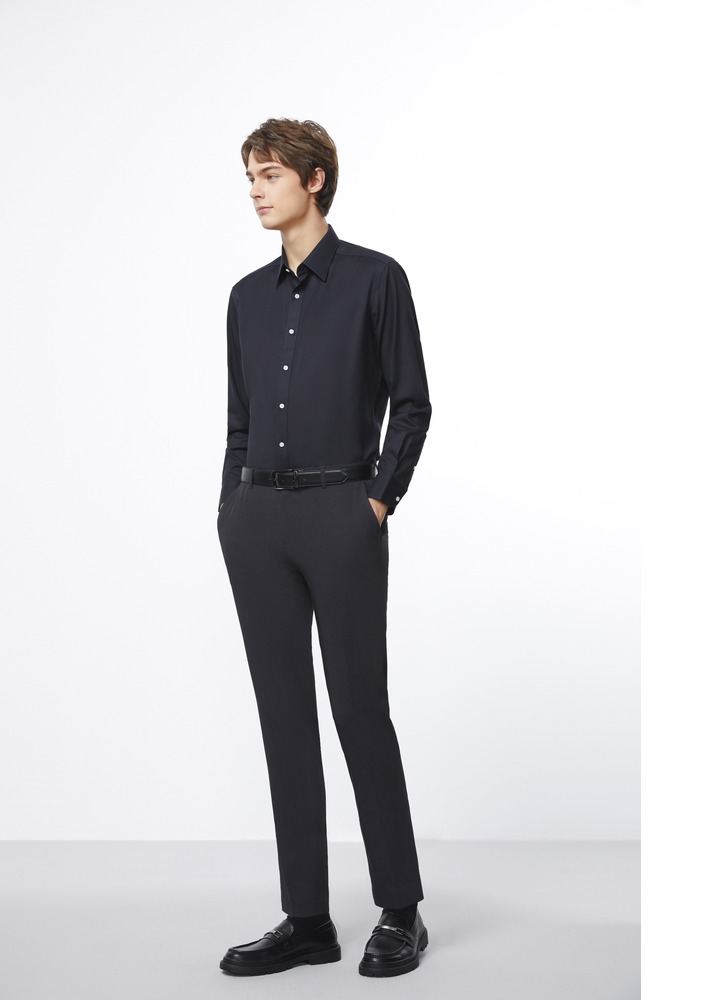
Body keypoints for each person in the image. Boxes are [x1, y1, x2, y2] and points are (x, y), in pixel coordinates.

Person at [215, 118, 432, 978]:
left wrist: (376, 500)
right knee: (283, 719)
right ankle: (306, 918)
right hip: (257, 521)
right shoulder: (246, 298)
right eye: (250, 176)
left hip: (343, 512)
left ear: (314, 180)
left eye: (270, 173)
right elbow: (237, 419)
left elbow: (412, 403)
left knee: (358, 709)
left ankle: (401, 909)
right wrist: (231, 508)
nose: (256, 190)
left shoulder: (377, 280)